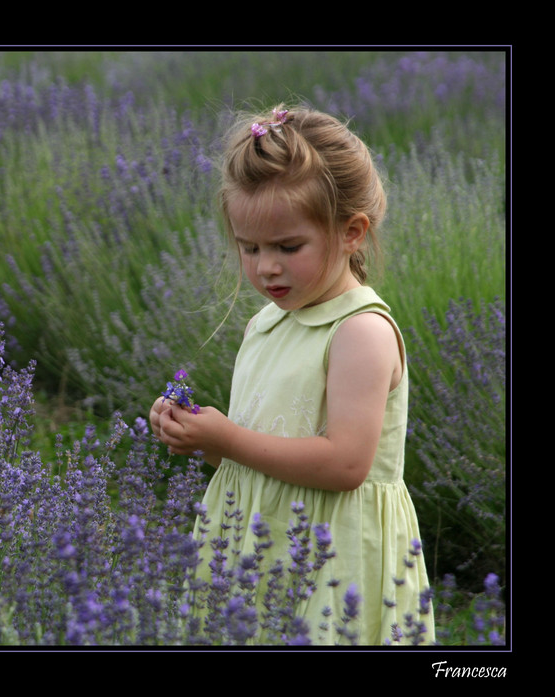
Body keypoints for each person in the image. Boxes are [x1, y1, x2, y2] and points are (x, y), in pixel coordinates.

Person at [150, 104, 433, 645]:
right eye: (248, 247)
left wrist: (228, 437)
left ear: (351, 232)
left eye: (287, 247)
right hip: (258, 538)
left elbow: (348, 464)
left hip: (332, 554)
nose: (265, 267)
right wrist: (201, 437)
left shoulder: (359, 332)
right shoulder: (268, 320)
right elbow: (260, 450)